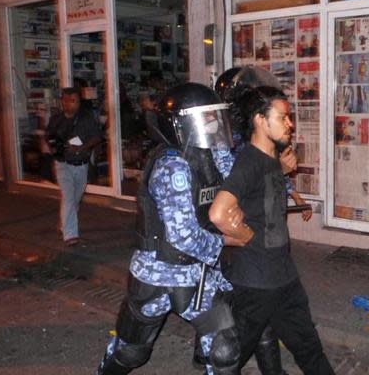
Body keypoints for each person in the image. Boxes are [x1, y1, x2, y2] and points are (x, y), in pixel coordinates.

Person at [95, 82, 253, 375]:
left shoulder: (211, 153)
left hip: (198, 276)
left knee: (225, 350)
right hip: (159, 275)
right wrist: (229, 241)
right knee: (131, 354)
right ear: (178, 125)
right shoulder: (172, 167)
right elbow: (184, 237)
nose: (211, 125)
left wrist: (273, 168)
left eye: (214, 117)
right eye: (204, 118)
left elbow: (239, 178)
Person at [209, 86, 334, 374]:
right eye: (283, 117)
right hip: (254, 283)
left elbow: (264, 199)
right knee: (230, 359)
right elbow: (218, 213)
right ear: (260, 121)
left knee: (309, 349)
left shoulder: (269, 162)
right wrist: (245, 237)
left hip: (284, 278)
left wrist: (282, 170)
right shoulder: (249, 162)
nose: (290, 124)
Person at [45, 87, 102, 246]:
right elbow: (48, 136)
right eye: (68, 101)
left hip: (81, 164)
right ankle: (70, 234)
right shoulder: (56, 119)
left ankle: (65, 222)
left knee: (75, 198)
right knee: (68, 197)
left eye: (75, 101)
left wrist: (81, 148)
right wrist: (53, 147)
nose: (71, 104)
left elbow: (97, 137)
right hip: (63, 164)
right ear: (63, 101)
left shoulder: (86, 118)